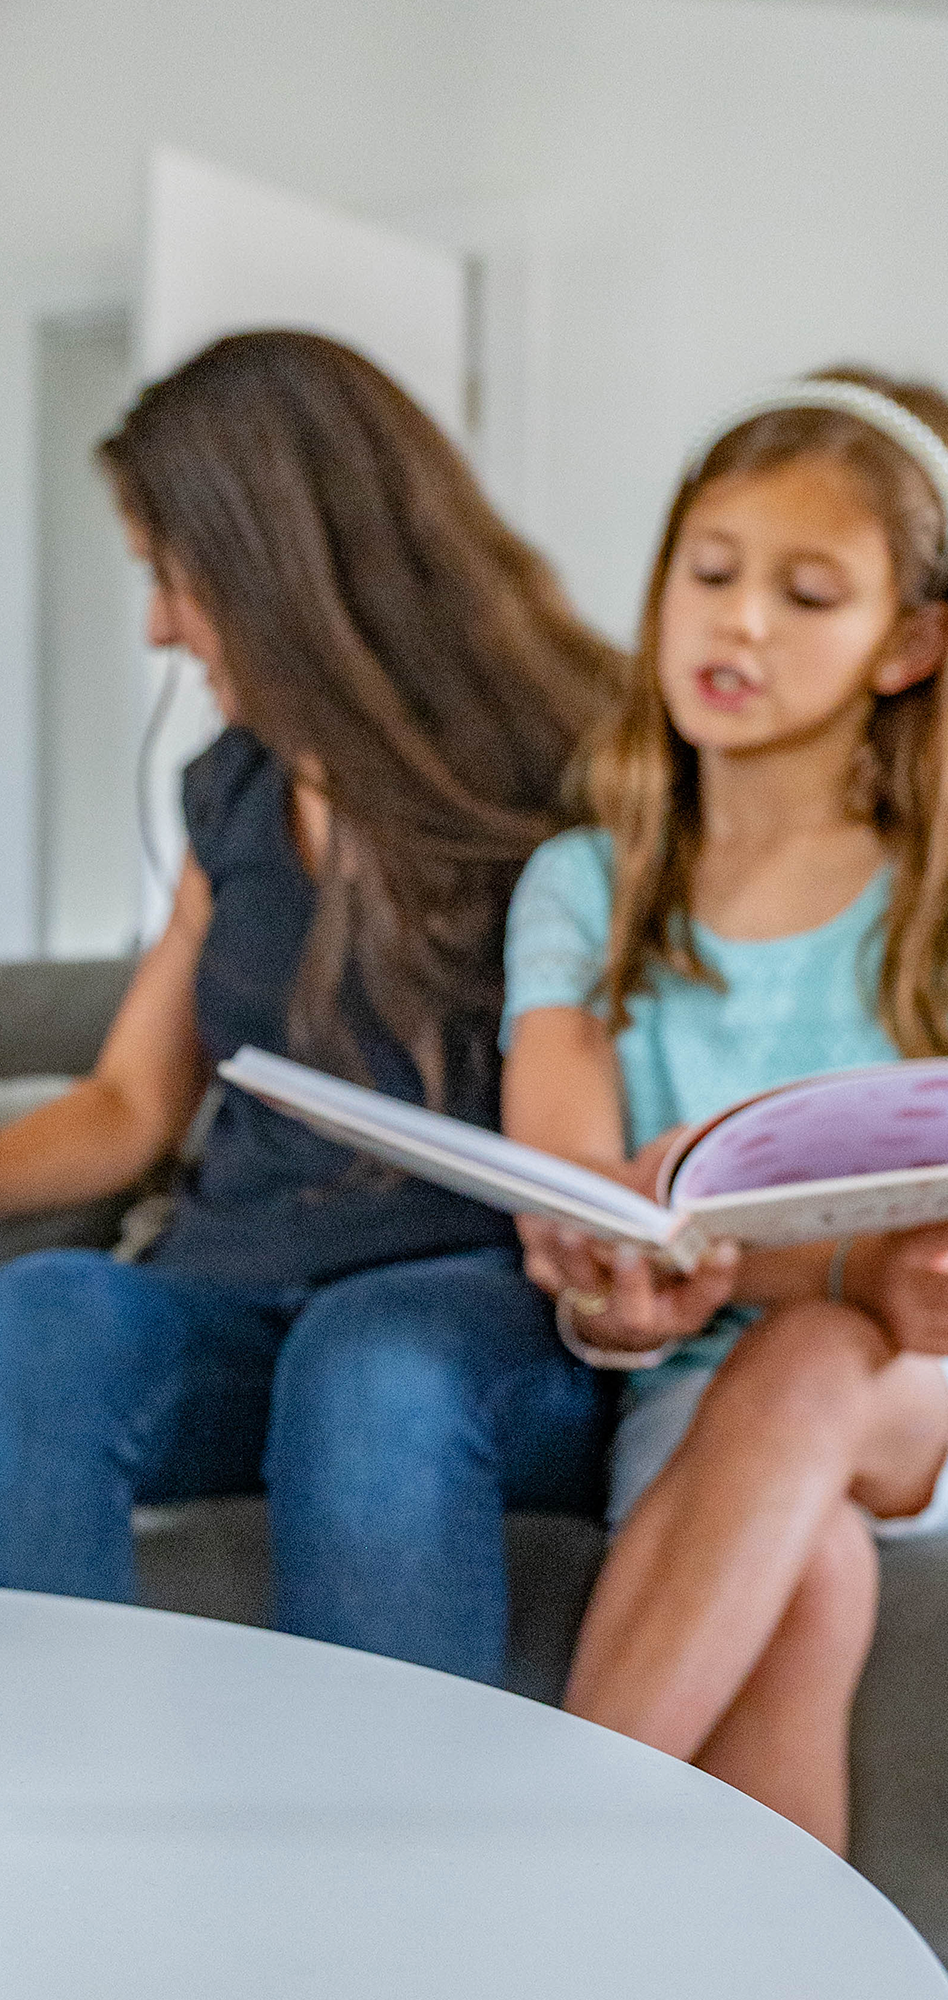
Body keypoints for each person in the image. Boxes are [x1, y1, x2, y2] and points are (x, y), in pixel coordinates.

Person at [0, 331, 624, 1682]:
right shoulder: (231, 792)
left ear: (277, 559)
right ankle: (48, 1839)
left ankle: (384, 1889)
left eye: (170, 576)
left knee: (369, 1365)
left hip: (473, 1327)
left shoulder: (580, 768)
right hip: (238, 1310)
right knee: (35, 1324)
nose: (158, 627)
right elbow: (131, 1106)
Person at [502, 368, 948, 1853]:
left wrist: (819, 1283)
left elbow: (913, 1292)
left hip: (917, 1388)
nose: (739, 619)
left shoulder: (928, 899)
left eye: (808, 593)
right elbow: (580, 1202)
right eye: (711, 573)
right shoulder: (585, 884)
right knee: (812, 1561)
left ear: (910, 646)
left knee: (823, 1354)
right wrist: (620, 1277)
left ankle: (529, 1849)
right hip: (700, 1396)